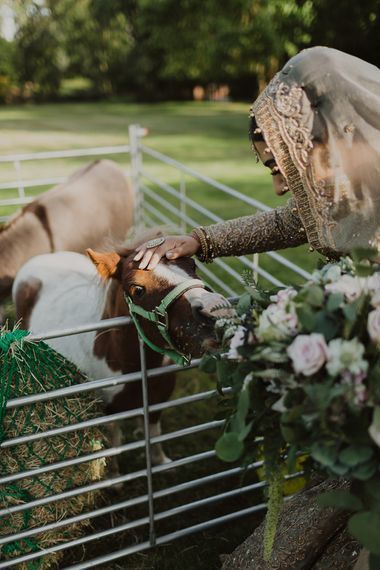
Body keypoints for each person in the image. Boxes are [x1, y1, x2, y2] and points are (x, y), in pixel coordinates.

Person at [134, 46, 380, 270]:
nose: (278, 189)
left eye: (283, 166)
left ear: (329, 141)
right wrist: (197, 241)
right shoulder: (337, 194)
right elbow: (288, 223)